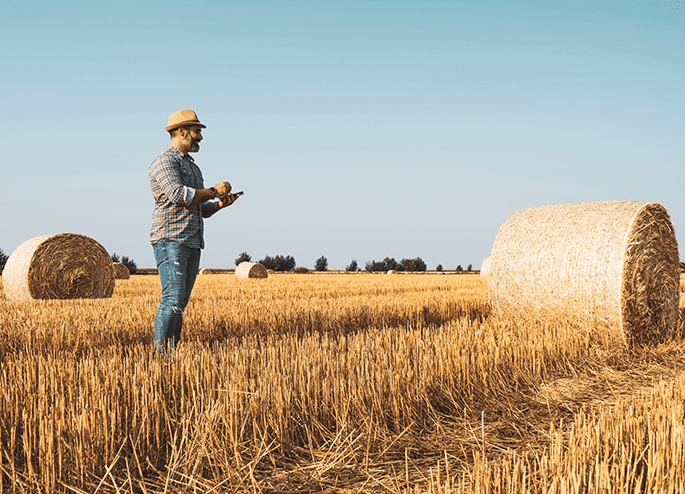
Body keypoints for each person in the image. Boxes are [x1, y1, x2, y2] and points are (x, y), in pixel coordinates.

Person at [149, 109, 238, 350]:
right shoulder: (164, 161)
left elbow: (200, 209)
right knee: (172, 299)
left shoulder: (194, 168)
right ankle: (161, 354)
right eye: (197, 131)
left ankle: (171, 350)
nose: (200, 137)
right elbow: (179, 195)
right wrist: (213, 191)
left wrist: (219, 203)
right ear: (182, 131)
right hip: (171, 238)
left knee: (181, 303)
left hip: (192, 240)